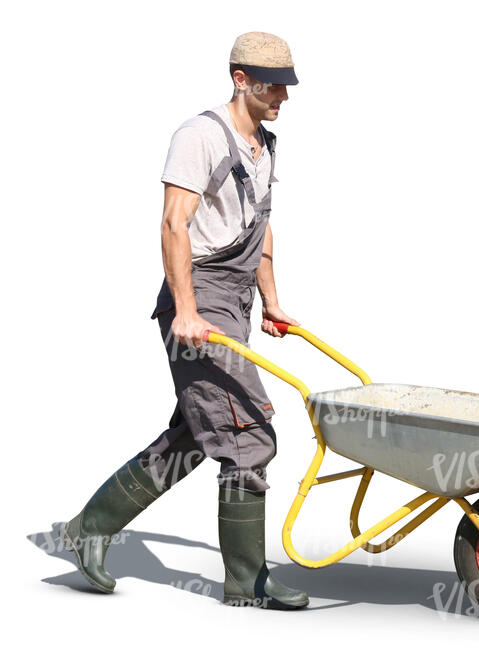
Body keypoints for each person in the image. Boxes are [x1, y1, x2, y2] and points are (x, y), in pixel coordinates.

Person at [61, 31, 309, 610]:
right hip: (196, 299)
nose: (284, 98)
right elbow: (174, 224)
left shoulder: (266, 143)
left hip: (236, 301)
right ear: (240, 79)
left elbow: (261, 225)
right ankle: (246, 583)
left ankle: (88, 528)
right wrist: (190, 312)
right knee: (249, 434)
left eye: (289, 87)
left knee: (199, 436)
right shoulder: (199, 136)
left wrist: (271, 300)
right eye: (274, 86)